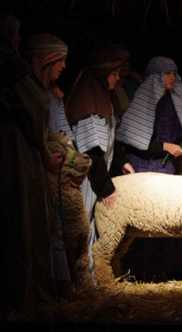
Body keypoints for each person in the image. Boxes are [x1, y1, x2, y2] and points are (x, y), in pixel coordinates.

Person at [1, 13, 57, 315]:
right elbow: (35, 107)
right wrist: (44, 148)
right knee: (21, 214)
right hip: (15, 149)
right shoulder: (11, 64)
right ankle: (23, 296)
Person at [65, 47, 135, 285]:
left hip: (96, 176)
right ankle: (78, 282)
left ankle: (92, 279)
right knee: (81, 225)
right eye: (114, 73)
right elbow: (92, 151)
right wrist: (106, 188)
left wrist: (121, 160)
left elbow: (108, 139)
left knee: (90, 225)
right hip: (86, 178)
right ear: (103, 73)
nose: (118, 78)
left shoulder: (103, 97)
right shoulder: (89, 101)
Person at [23, 32, 74, 298]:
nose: (64, 67)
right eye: (60, 61)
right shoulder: (31, 91)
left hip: (49, 168)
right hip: (31, 167)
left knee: (53, 225)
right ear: (48, 59)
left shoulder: (50, 94)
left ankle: (58, 286)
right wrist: (47, 151)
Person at [116, 56, 182, 175]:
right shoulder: (141, 103)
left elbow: (180, 133)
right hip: (140, 167)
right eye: (167, 73)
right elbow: (133, 141)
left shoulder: (173, 102)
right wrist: (164, 146)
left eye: (174, 73)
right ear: (154, 77)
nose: (172, 77)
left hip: (165, 166)